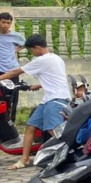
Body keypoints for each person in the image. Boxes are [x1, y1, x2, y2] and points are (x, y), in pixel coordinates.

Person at [0, 34, 71, 169]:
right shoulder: (56, 58)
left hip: (56, 99)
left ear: (37, 48)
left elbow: (14, 72)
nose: (32, 53)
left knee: (53, 129)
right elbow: (55, 78)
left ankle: (72, 154)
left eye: (31, 50)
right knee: (30, 126)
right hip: (48, 99)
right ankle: (25, 159)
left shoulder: (42, 60)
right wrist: (38, 85)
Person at [0, 12, 26, 122]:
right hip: (0, 71)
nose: (6, 25)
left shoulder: (15, 36)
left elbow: (26, 43)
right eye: (3, 22)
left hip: (12, 70)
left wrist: (15, 50)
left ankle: (11, 122)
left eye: (8, 23)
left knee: (13, 97)